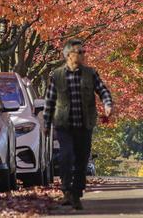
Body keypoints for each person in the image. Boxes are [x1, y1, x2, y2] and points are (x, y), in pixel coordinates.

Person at [44, 39, 113, 210]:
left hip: (84, 124)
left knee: (82, 160)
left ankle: (76, 193)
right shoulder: (57, 75)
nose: (83, 55)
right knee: (66, 156)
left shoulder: (91, 73)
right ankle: (66, 190)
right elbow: (50, 101)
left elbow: (102, 90)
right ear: (68, 55)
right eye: (79, 52)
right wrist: (46, 123)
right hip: (64, 125)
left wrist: (107, 104)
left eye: (83, 52)